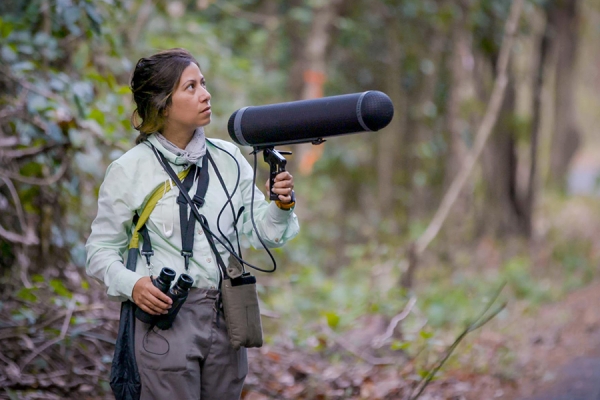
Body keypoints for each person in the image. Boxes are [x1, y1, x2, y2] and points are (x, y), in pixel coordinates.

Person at [85, 48, 299, 400]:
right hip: (166, 317)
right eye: (191, 87)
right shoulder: (129, 169)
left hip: (226, 315)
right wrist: (133, 283)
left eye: (203, 83)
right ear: (163, 104)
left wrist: (282, 205)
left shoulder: (229, 158)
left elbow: (266, 233)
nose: (205, 93)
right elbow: (99, 250)